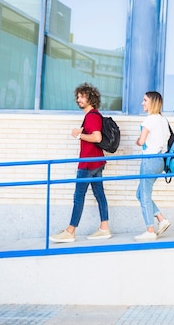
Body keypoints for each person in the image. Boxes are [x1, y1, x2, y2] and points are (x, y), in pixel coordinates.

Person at [50, 83, 112, 243]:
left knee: (78, 197)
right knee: (100, 195)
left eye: (82, 96)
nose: (79, 99)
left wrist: (78, 135)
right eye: (78, 96)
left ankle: (70, 231)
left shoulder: (91, 116)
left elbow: (97, 138)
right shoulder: (95, 115)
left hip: (88, 163)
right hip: (97, 161)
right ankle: (104, 228)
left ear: (90, 97)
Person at [134, 91, 172, 241]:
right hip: (159, 161)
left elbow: (142, 142)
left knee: (144, 196)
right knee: (140, 194)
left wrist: (138, 140)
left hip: (149, 160)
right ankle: (161, 219)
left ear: (152, 103)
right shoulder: (163, 120)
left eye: (145, 100)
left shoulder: (149, 120)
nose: (142, 103)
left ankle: (150, 230)